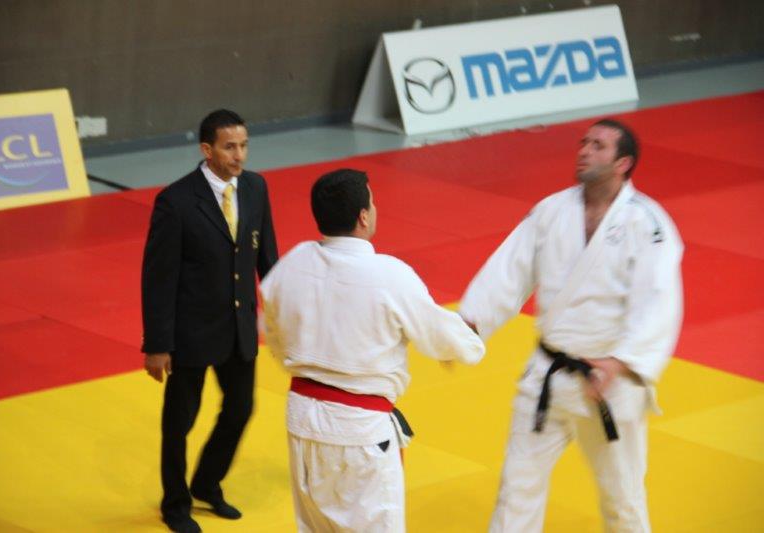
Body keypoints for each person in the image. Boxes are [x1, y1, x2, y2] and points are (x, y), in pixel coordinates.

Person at [459, 119, 683, 533]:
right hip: (548, 374)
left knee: (623, 501)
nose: (584, 151)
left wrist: (620, 362)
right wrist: (470, 323)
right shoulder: (551, 211)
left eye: (598, 146)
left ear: (623, 163)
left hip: (609, 383)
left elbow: (658, 301)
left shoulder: (647, 224)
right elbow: (509, 270)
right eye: (584, 143)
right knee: (515, 491)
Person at [259, 168, 485, 532]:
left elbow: (273, 328)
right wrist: (469, 343)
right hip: (359, 430)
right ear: (363, 216)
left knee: (316, 527)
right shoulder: (389, 275)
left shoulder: (294, 263)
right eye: (373, 202)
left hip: (301, 419)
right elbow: (439, 334)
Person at [141, 109, 278, 533]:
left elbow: (267, 257)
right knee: (179, 423)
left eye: (244, 145)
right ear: (207, 149)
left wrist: (286, 313)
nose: (240, 155)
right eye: (229, 147)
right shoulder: (176, 202)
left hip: (239, 328)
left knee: (241, 409)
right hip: (191, 333)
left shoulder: (255, 187)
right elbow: (158, 279)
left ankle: (206, 482)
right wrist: (157, 344)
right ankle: (175, 503)